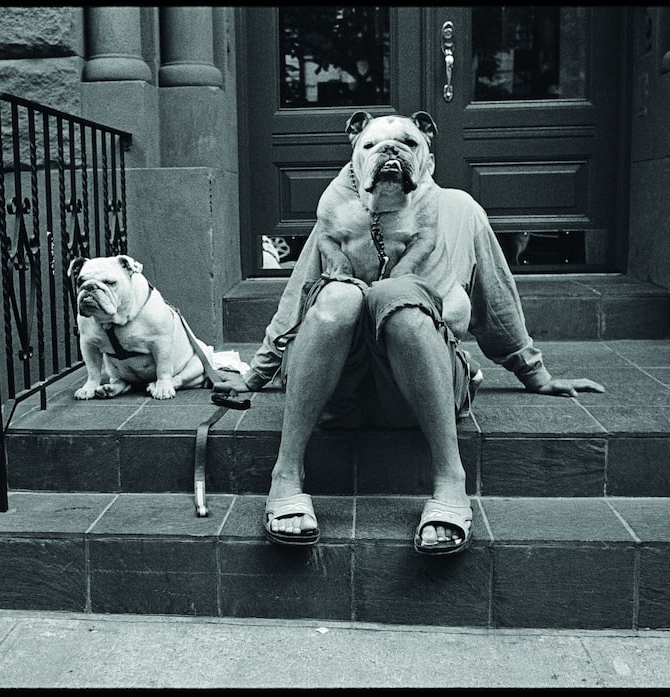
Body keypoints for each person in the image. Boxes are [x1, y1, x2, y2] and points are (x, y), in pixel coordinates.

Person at [214, 110, 605, 554]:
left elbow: (495, 300)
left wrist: (535, 374)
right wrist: (255, 374)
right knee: (338, 297)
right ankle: (285, 472)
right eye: (374, 147)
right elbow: (299, 298)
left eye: (408, 145)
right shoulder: (343, 212)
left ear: (429, 161)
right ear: (355, 161)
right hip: (339, 391)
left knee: (400, 300)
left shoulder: (458, 210)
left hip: (419, 387)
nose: (390, 155)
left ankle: (449, 478)